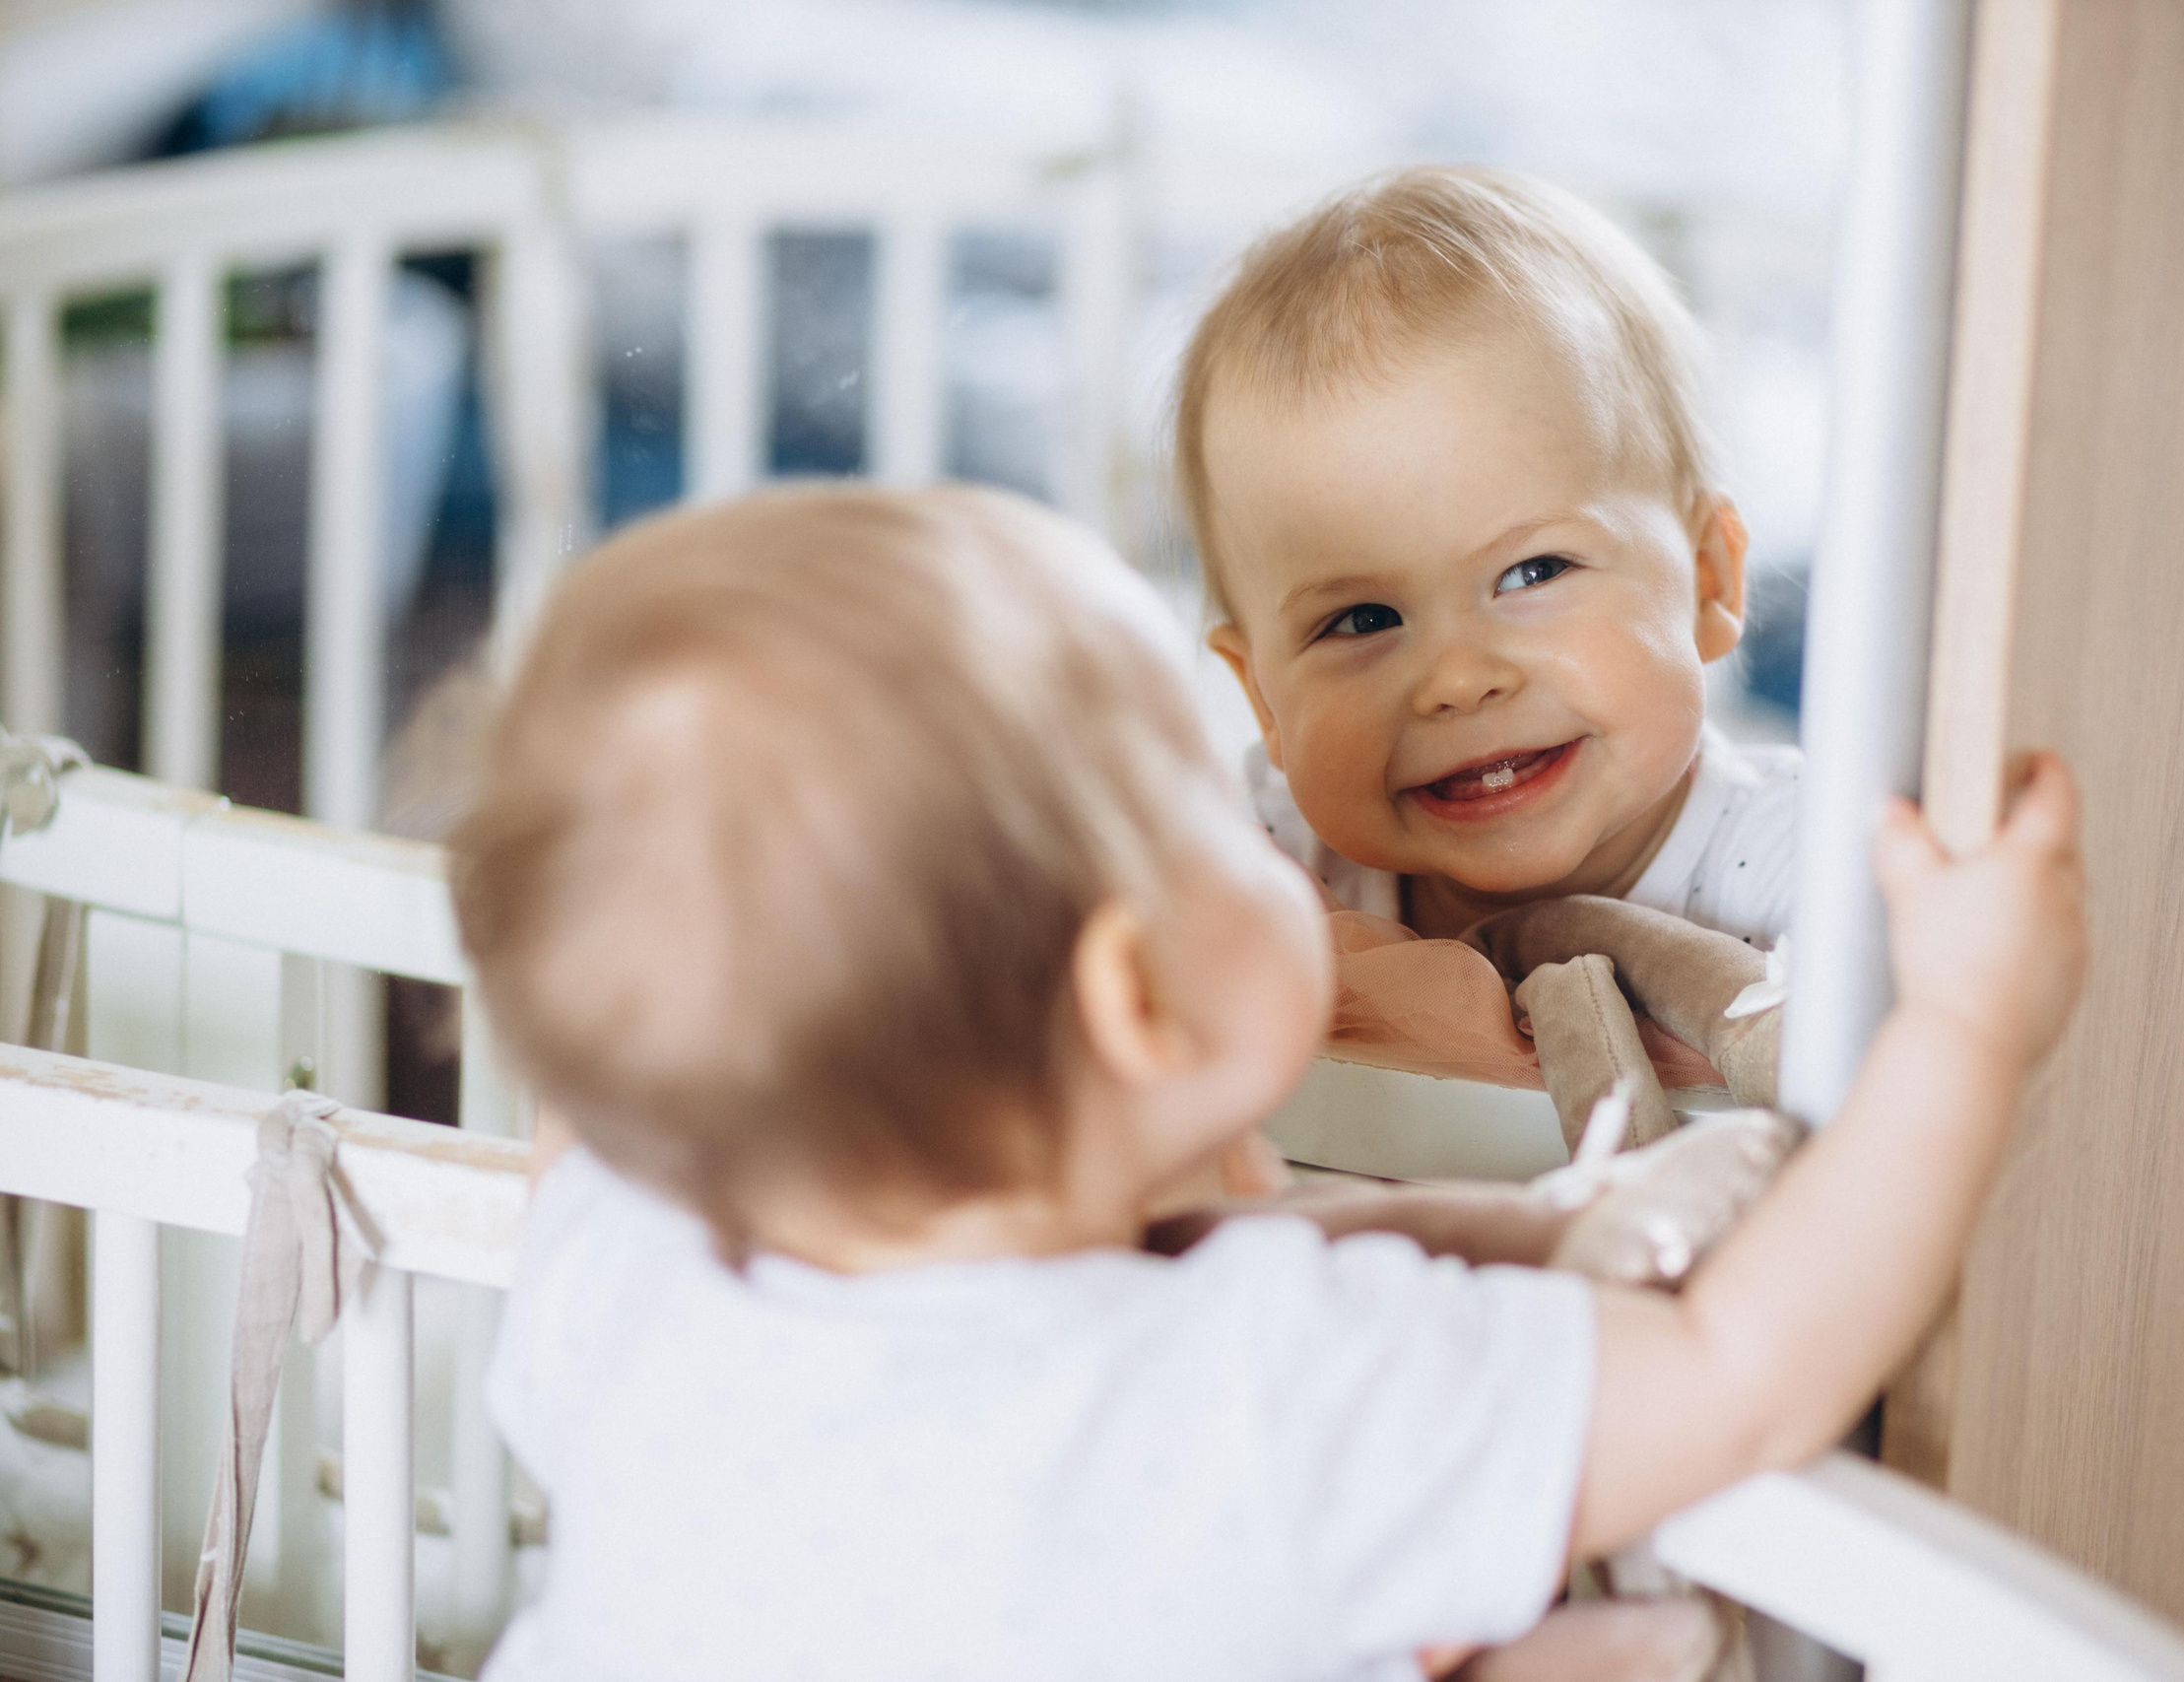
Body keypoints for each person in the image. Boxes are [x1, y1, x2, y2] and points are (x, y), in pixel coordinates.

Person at [451, 482, 2085, 1681]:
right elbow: (1747, 1367)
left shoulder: (630, 1273)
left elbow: (604, 1092)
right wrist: (1963, 1028)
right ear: (1138, 998)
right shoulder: (1254, 1396)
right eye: (1204, 800)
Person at [1180, 166, 1795, 949]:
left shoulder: (1811, 870)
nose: (1460, 680)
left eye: (1533, 572)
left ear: (1708, 578)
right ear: (1263, 698)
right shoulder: (1259, 868)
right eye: (1362, 619)